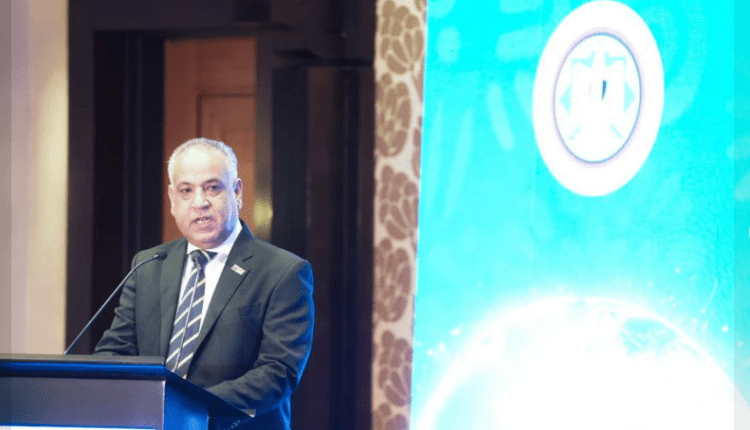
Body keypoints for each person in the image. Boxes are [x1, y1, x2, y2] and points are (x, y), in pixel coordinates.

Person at [95, 138, 314, 430]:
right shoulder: (149, 265)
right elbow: (115, 351)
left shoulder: (283, 272)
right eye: (186, 190)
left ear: (237, 192)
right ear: (172, 199)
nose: (200, 203)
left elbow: (278, 372)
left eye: (213, 188)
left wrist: (188, 409)